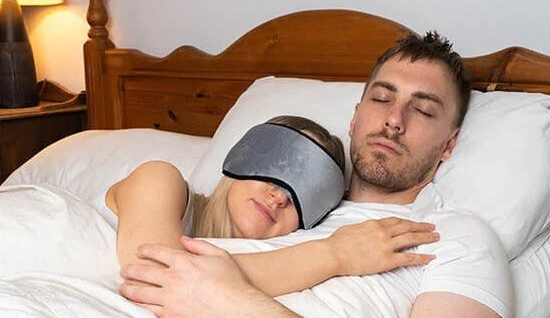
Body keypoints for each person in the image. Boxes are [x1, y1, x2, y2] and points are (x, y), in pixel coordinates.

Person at [118, 32, 513, 318]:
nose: (395, 119)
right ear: (355, 117)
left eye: (422, 110)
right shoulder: (281, 218)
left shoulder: (453, 236)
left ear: (448, 144)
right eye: (382, 99)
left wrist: (236, 305)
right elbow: (157, 261)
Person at [105, 114, 438, 298]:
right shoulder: (160, 180)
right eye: (277, 169)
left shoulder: (280, 262)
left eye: (300, 197)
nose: (280, 197)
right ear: (244, 157)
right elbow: (155, 276)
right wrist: (334, 255)